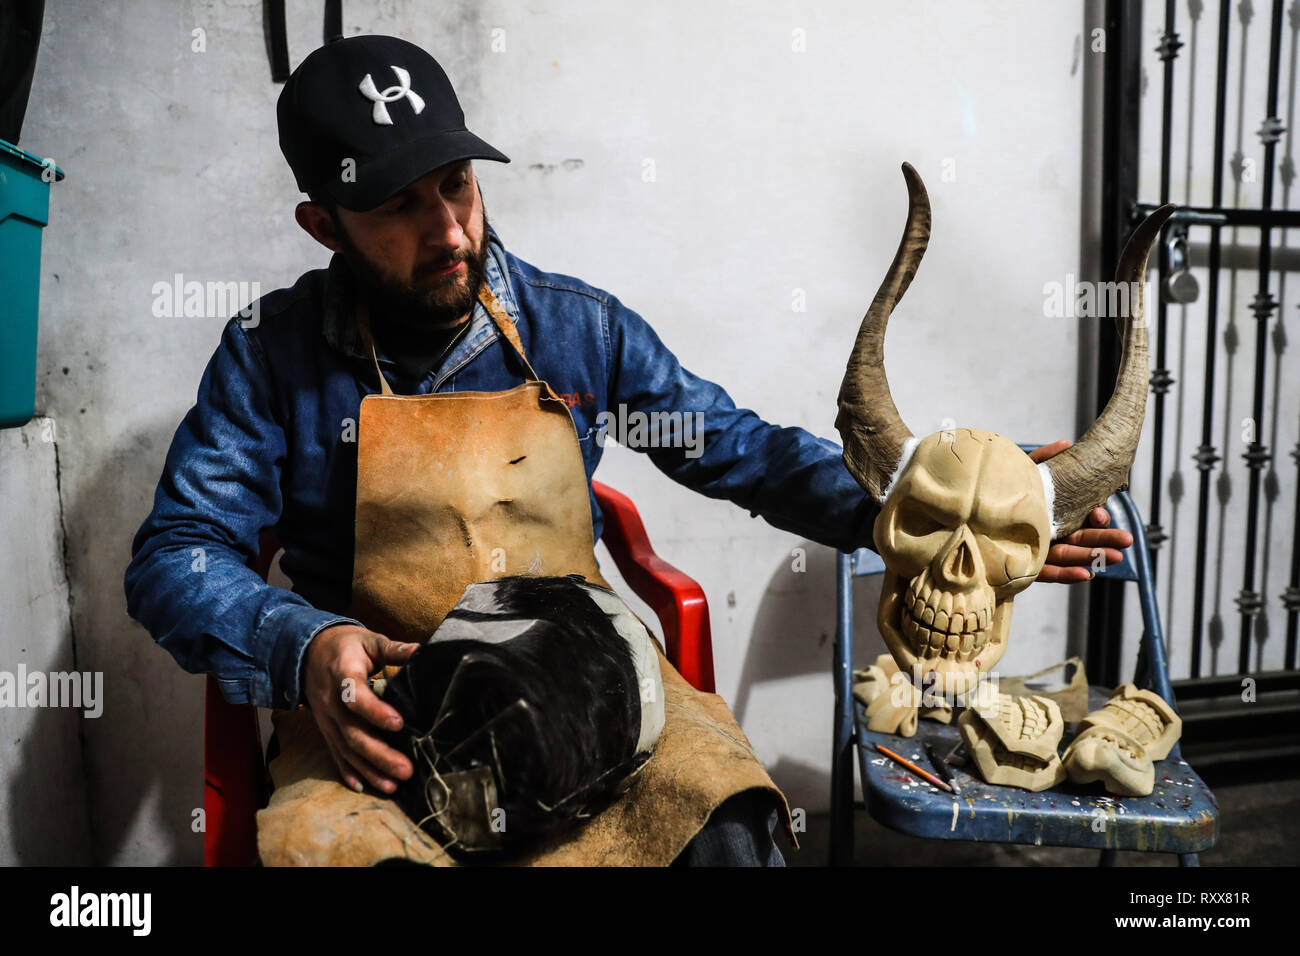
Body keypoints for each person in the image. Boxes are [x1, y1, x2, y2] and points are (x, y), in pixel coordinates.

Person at [124, 35, 1130, 866]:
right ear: (323, 225)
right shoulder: (271, 356)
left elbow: (733, 447)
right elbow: (176, 552)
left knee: (728, 832)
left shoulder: (579, 332)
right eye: (398, 206)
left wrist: (916, 513)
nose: (450, 230)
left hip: (592, 679)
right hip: (382, 717)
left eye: (457, 184)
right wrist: (302, 645)